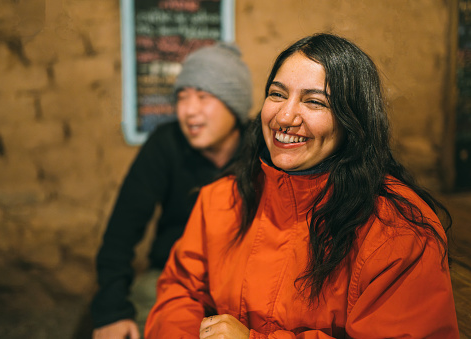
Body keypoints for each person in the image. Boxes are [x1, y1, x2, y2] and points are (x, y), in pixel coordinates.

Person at [144, 33, 460, 338]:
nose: (285, 116)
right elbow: (180, 292)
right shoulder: (223, 198)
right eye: (277, 94)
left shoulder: (397, 231)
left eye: (314, 102)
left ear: (354, 121)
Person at [91, 42, 253, 339]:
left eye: (204, 97)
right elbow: (120, 234)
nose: (189, 110)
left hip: (243, 284)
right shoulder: (166, 144)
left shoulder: (263, 151)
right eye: (182, 97)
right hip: (171, 276)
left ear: (235, 104)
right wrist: (112, 311)